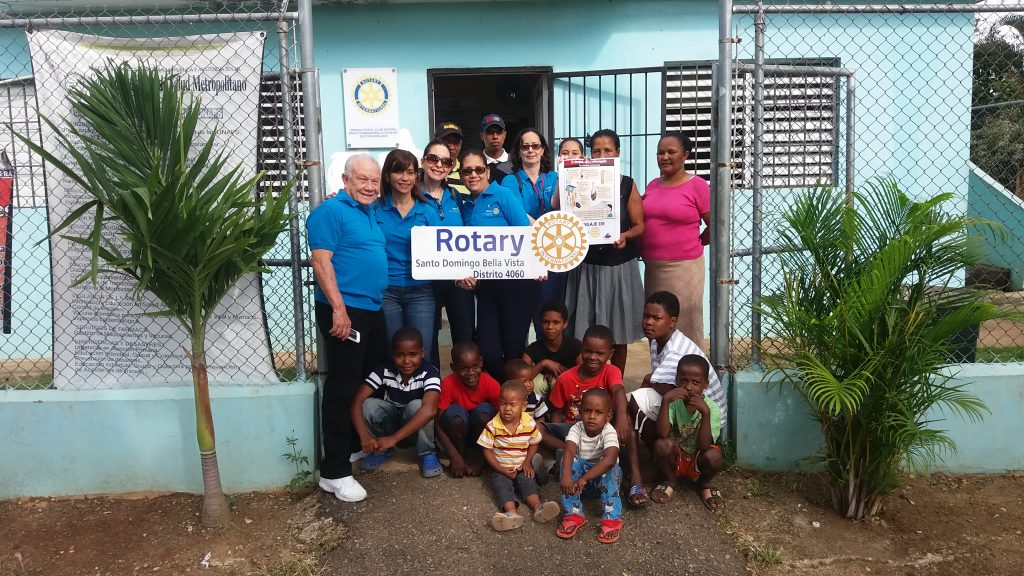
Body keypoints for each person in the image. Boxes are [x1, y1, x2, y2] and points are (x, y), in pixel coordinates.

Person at [308, 154, 388, 503]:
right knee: (341, 386)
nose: (370, 186)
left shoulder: (370, 213)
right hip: (346, 310)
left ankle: (354, 445)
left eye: (374, 180)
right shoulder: (330, 212)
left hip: (372, 308)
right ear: (346, 180)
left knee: (368, 377)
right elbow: (321, 261)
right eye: (362, 180)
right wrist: (339, 311)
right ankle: (334, 472)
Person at [622, 291, 726, 507]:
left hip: (704, 415)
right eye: (646, 316)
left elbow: (671, 388)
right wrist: (650, 381)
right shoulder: (656, 341)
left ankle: (652, 464)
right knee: (642, 398)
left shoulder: (676, 349)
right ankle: (662, 460)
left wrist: (649, 382)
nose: (648, 322)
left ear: (673, 322)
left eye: (656, 318)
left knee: (632, 401)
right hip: (681, 408)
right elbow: (662, 384)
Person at [564, 129, 646, 374]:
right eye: (596, 150)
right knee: (583, 329)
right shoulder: (578, 182)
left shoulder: (627, 184)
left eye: (607, 150)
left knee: (618, 332)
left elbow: (640, 226)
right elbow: (560, 208)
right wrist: (565, 174)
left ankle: (615, 382)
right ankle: (587, 383)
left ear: (617, 153)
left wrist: (625, 236)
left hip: (619, 266)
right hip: (586, 265)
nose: (602, 154)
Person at [457, 148, 538, 379]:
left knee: (513, 351)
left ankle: (512, 406)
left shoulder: (504, 196)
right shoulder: (464, 204)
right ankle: (499, 398)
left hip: (517, 284)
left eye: (479, 169)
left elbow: (524, 235)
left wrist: (536, 267)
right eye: (467, 171)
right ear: (462, 175)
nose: (473, 175)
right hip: (486, 287)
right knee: (489, 350)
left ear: (488, 171)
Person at [641, 132, 711, 350]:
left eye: (671, 152)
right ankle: (662, 373)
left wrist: (696, 242)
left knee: (685, 323)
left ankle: (690, 377)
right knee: (656, 324)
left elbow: (715, 224)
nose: (665, 157)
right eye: (660, 152)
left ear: (685, 155)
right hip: (653, 268)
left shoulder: (697, 185)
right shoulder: (653, 185)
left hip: (684, 267)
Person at [350, 327, 443, 478]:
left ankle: (427, 452)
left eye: (413, 355)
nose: (406, 361)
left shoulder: (430, 372)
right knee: (368, 405)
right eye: (400, 355)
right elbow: (357, 400)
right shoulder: (384, 370)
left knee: (418, 406)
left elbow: (430, 410)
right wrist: (364, 436)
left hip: (414, 429)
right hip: (393, 422)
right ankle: (381, 449)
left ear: (423, 353)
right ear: (393, 354)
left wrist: (393, 439)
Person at [376, 150, 441, 363]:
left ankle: (422, 396)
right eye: (398, 172)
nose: (404, 178)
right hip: (386, 290)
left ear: (416, 177)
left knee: (423, 351)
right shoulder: (374, 209)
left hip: (421, 291)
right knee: (391, 350)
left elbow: (442, 250)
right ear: (387, 175)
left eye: (410, 172)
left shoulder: (427, 211)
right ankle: (393, 396)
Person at [500, 128, 563, 337]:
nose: (530, 150)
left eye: (535, 146)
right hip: (526, 252)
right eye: (525, 146)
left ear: (543, 149)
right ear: (518, 151)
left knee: (550, 310)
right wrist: (546, 229)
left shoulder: (554, 177)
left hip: (555, 253)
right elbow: (517, 213)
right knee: (525, 309)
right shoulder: (510, 181)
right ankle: (524, 361)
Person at [419, 139, 475, 368]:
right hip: (424, 283)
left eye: (446, 161)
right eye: (433, 158)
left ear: (451, 166)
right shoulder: (409, 194)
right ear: (423, 161)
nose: (439, 165)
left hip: (457, 280)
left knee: (464, 337)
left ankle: (463, 395)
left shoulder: (456, 196)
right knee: (427, 340)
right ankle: (432, 393)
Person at [478, 379, 561, 531]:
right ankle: (511, 513)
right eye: (503, 404)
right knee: (502, 487)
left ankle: (538, 508)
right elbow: (486, 449)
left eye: (512, 404)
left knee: (528, 482)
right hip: (500, 468)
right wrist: (499, 468)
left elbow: (534, 442)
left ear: (523, 406)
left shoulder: (529, 423)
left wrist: (527, 462)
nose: (507, 409)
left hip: (522, 465)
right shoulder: (493, 426)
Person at [650, 355, 725, 510]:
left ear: (706, 384)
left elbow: (705, 446)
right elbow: (662, 434)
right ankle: (670, 481)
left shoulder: (711, 409)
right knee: (662, 445)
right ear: (677, 381)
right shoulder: (673, 402)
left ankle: (704, 484)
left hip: (697, 459)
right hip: (675, 458)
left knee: (714, 455)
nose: (689, 387)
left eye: (695, 382)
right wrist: (665, 401)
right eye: (684, 381)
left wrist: (705, 413)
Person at [540, 325, 630, 454]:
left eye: (599, 353)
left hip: (603, 429)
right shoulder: (565, 378)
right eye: (588, 351)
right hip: (574, 430)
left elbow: (619, 391)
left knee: (628, 421)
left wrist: (621, 418)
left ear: (610, 354)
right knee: (536, 430)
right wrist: (558, 432)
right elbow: (556, 412)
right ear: (581, 350)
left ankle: (634, 471)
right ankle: (569, 452)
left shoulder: (612, 371)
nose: (592, 357)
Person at [556, 388, 623, 544]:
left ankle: (611, 519)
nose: (592, 416)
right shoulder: (577, 428)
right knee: (569, 460)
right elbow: (570, 450)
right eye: (587, 411)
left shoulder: (609, 431)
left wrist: (585, 478)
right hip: (581, 486)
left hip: (601, 482)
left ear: (608, 416)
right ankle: (573, 514)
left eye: (598, 412)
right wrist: (566, 476)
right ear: (579, 411)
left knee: (609, 467)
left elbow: (610, 459)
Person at [435, 341, 501, 477]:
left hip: (483, 434)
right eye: (464, 368)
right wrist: (454, 455)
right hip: (458, 432)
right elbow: (437, 424)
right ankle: (461, 453)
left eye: (475, 366)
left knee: (484, 412)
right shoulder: (448, 384)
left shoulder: (491, 384)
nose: (471, 373)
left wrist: (483, 459)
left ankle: (479, 453)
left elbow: (503, 422)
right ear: (453, 367)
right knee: (455, 416)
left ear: (481, 362)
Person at [522, 300, 582, 396]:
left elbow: (584, 373)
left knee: (559, 382)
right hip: (543, 388)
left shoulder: (575, 346)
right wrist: (544, 363)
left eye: (556, 322)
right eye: (546, 322)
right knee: (534, 384)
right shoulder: (534, 348)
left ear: (565, 324)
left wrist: (562, 375)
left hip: (571, 391)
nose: (550, 327)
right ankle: (538, 410)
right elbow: (522, 378)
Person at [503, 358, 548, 422]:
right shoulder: (505, 400)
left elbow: (540, 420)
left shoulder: (536, 399)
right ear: (510, 383)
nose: (529, 384)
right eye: (524, 382)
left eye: (531, 380)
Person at [434, 122, 468, 195]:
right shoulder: (425, 171)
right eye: (447, 141)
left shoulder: (467, 172)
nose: (452, 147)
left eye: (456, 142)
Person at [480, 113, 513, 183]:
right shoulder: (476, 163)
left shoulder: (516, 162)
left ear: (505, 135)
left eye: (499, 132)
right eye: (490, 132)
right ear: (481, 135)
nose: (495, 137)